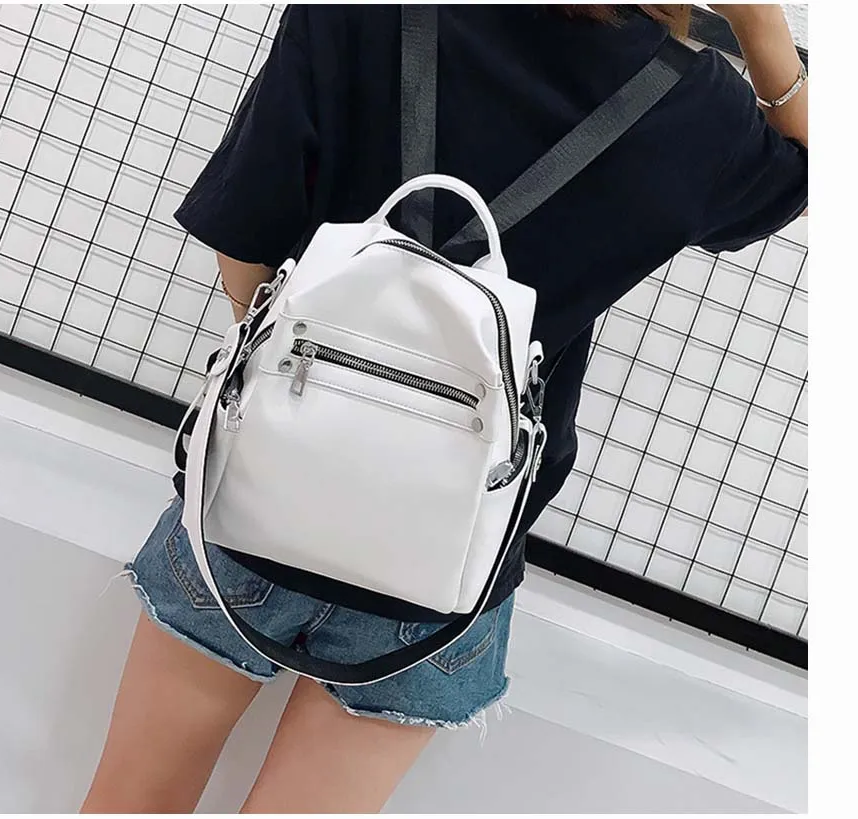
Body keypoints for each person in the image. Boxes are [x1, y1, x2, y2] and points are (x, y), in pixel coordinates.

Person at [82, 4, 807, 813]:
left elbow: (242, 236)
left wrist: (301, 387)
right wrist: (760, 27)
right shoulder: (695, 110)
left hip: (248, 505)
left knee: (128, 801)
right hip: (447, 559)